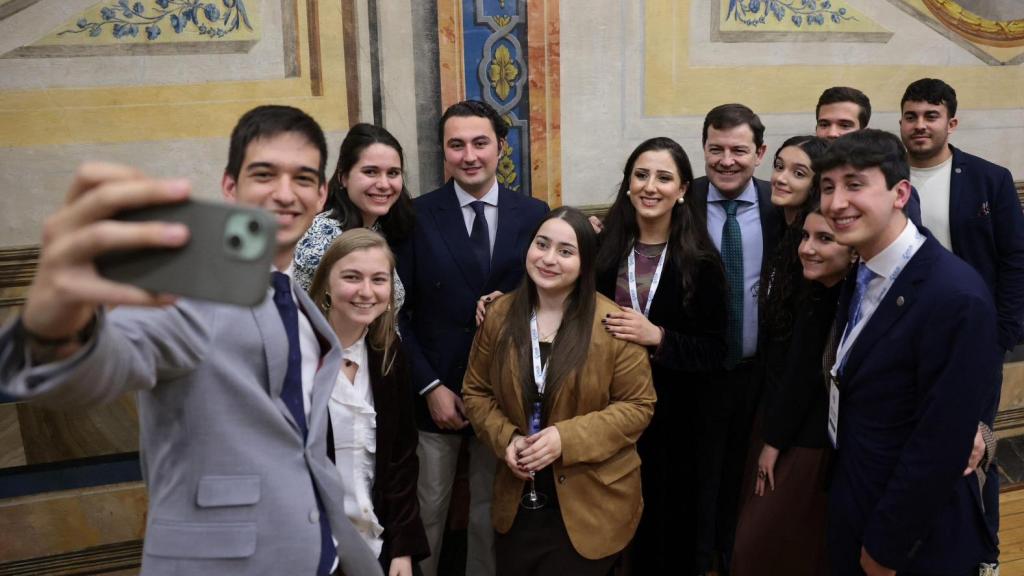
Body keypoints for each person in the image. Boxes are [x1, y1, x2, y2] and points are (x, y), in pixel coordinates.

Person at [0, 106, 383, 575]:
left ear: (322, 195)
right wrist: (55, 330)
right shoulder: (189, 293)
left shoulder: (305, 309)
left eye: (303, 178)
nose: (285, 193)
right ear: (229, 186)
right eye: (264, 174)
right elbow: (107, 363)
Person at [819, 129, 1000, 575]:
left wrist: (885, 547)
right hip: (857, 495)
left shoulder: (954, 297)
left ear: (901, 193)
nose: (836, 202)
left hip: (911, 538)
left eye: (854, 184)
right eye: (827, 187)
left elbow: (940, 445)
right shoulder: (862, 265)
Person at [395, 99, 549, 576]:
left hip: (503, 392)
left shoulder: (533, 213)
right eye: (456, 145)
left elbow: (551, 294)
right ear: (443, 152)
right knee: (429, 511)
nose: (469, 155)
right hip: (434, 392)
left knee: (490, 511)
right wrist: (429, 387)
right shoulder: (415, 216)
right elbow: (395, 313)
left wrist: (517, 299)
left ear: (501, 147)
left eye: (480, 143)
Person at [462, 206, 656, 575]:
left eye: (566, 251)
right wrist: (507, 440)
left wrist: (564, 439)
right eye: (542, 245)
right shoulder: (499, 315)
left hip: (591, 503)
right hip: (518, 502)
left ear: (585, 264)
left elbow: (638, 406)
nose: (549, 259)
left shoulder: (613, 323)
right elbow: (475, 391)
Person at [593, 137, 727, 573]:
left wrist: (659, 337)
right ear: (628, 184)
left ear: (683, 189)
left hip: (677, 422)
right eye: (641, 175)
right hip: (605, 412)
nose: (651, 186)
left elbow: (715, 350)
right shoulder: (601, 252)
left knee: (668, 532)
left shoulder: (703, 261)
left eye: (664, 177)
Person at [732, 200, 855, 575]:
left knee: (765, 545)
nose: (807, 248)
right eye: (804, 236)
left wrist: (775, 443)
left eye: (824, 239)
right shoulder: (813, 291)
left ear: (853, 252)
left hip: (815, 444)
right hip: (788, 432)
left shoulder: (852, 303)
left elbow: (810, 382)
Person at [689, 103, 785, 575]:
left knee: (741, 476)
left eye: (739, 150)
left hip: (755, 374)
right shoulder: (680, 201)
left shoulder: (781, 206)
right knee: (694, 475)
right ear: (703, 149)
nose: (726, 160)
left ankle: (731, 556)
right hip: (692, 373)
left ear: (760, 153)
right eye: (716, 149)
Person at [308, 229, 430, 576]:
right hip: (318, 549)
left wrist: (402, 550)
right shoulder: (301, 358)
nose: (365, 291)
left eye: (379, 279)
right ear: (326, 284)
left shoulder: (390, 356)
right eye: (351, 277)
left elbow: (401, 461)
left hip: (380, 543)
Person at [293, 123, 415, 302]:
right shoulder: (322, 238)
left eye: (393, 173)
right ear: (344, 177)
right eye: (370, 172)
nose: (383, 184)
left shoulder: (379, 227)